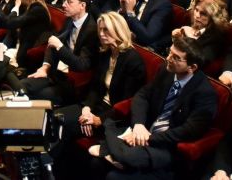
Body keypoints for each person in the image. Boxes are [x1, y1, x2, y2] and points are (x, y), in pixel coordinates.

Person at [88, 36, 218, 178]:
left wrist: (149, 138)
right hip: (144, 132)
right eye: (170, 52)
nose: (168, 58)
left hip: (168, 146)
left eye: (176, 57)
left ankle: (116, 154)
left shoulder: (205, 94)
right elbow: (142, 96)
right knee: (96, 163)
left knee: (115, 176)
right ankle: (119, 156)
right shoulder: (166, 70)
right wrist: (138, 126)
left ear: (192, 67)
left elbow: (187, 131)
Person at [53, 12, 147, 160]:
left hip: (112, 116)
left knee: (67, 128)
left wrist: (98, 120)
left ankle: (52, 169)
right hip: (96, 106)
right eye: (100, 30)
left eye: (106, 30)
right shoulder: (106, 53)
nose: (101, 34)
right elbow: (96, 87)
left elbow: (127, 103)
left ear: (118, 30)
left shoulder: (133, 60)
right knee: (56, 117)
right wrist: (86, 109)